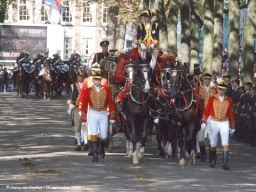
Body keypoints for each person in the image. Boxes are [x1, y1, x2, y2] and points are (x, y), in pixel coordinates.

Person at [79, 63, 115, 162]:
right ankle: (95, 153)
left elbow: (111, 103)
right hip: (93, 113)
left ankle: (102, 149)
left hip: (103, 113)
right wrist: (83, 119)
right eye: (95, 79)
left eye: (99, 79)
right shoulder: (88, 90)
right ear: (93, 80)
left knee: (103, 135)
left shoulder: (106, 89)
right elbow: (84, 105)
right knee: (93, 133)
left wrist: (112, 117)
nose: (97, 81)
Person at [201, 80, 235, 170]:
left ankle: (225, 163)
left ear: (225, 90)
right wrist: (203, 121)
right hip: (214, 122)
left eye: (223, 90)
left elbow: (231, 113)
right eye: (220, 89)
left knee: (225, 142)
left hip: (224, 122)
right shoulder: (212, 99)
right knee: (213, 142)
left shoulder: (229, 100)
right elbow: (207, 110)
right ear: (217, 89)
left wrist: (232, 126)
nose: (221, 91)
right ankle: (213, 160)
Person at [195, 73, 217, 162]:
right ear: (203, 80)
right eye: (205, 79)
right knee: (201, 136)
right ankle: (203, 155)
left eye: (209, 79)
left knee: (212, 136)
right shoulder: (198, 90)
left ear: (211, 80)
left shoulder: (215, 90)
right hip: (201, 115)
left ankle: (212, 155)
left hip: (211, 115)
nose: (207, 81)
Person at [67, 68, 88, 151]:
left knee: (85, 126)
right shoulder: (73, 86)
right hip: (76, 108)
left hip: (85, 109)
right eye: (79, 76)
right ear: (77, 77)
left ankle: (86, 142)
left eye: (82, 76)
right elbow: (69, 97)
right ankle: (79, 144)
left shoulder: (88, 86)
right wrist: (70, 104)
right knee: (77, 126)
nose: (81, 78)